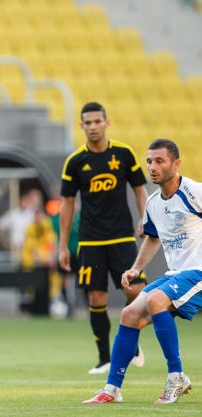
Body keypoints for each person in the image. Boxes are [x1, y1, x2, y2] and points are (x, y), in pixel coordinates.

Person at [84, 139, 199, 405]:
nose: (152, 167)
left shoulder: (194, 191)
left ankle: (176, 376)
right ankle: (112, 389)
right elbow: (152, 237)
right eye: (149, 161)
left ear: (176, 163)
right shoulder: (154, 202)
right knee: (129, 313)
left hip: (198, 272)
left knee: (156, 301)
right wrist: (136, 269)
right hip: (177, 275)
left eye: (159, 161)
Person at [59, 102, 148, 374]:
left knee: (137, 292)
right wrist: (63, 245)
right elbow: (67, 204)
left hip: (121, 237)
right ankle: (105, 359)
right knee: (96, 299)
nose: (93, 127)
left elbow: (139, 190)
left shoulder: (123, 154)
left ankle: (132, 341)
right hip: (90, 241)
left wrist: (146, 219)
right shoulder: (75, 162)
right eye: (88, 122)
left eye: (98, 121)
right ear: (81, 126)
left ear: (106, 122)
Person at [0, 188, 42, 259]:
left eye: (27, 201)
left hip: (30, 252)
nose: (24, 203)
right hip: (15, 252)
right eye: (23, 200)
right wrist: (5, 242)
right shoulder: (13, 213)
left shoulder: (32, 214)